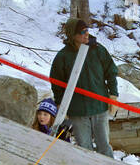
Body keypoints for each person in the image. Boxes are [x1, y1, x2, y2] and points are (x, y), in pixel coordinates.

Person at [47, 18, 120, 157]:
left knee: (104, 145)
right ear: (72, 35)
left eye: (87, 30)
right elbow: (56, 83)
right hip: (77, 109)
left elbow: (111, 72)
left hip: (100, 106)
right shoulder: (63, 56)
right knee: (84, 148)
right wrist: (61, 104)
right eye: (82, 32)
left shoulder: (98, 50)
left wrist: (113, 95)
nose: (86, 34)